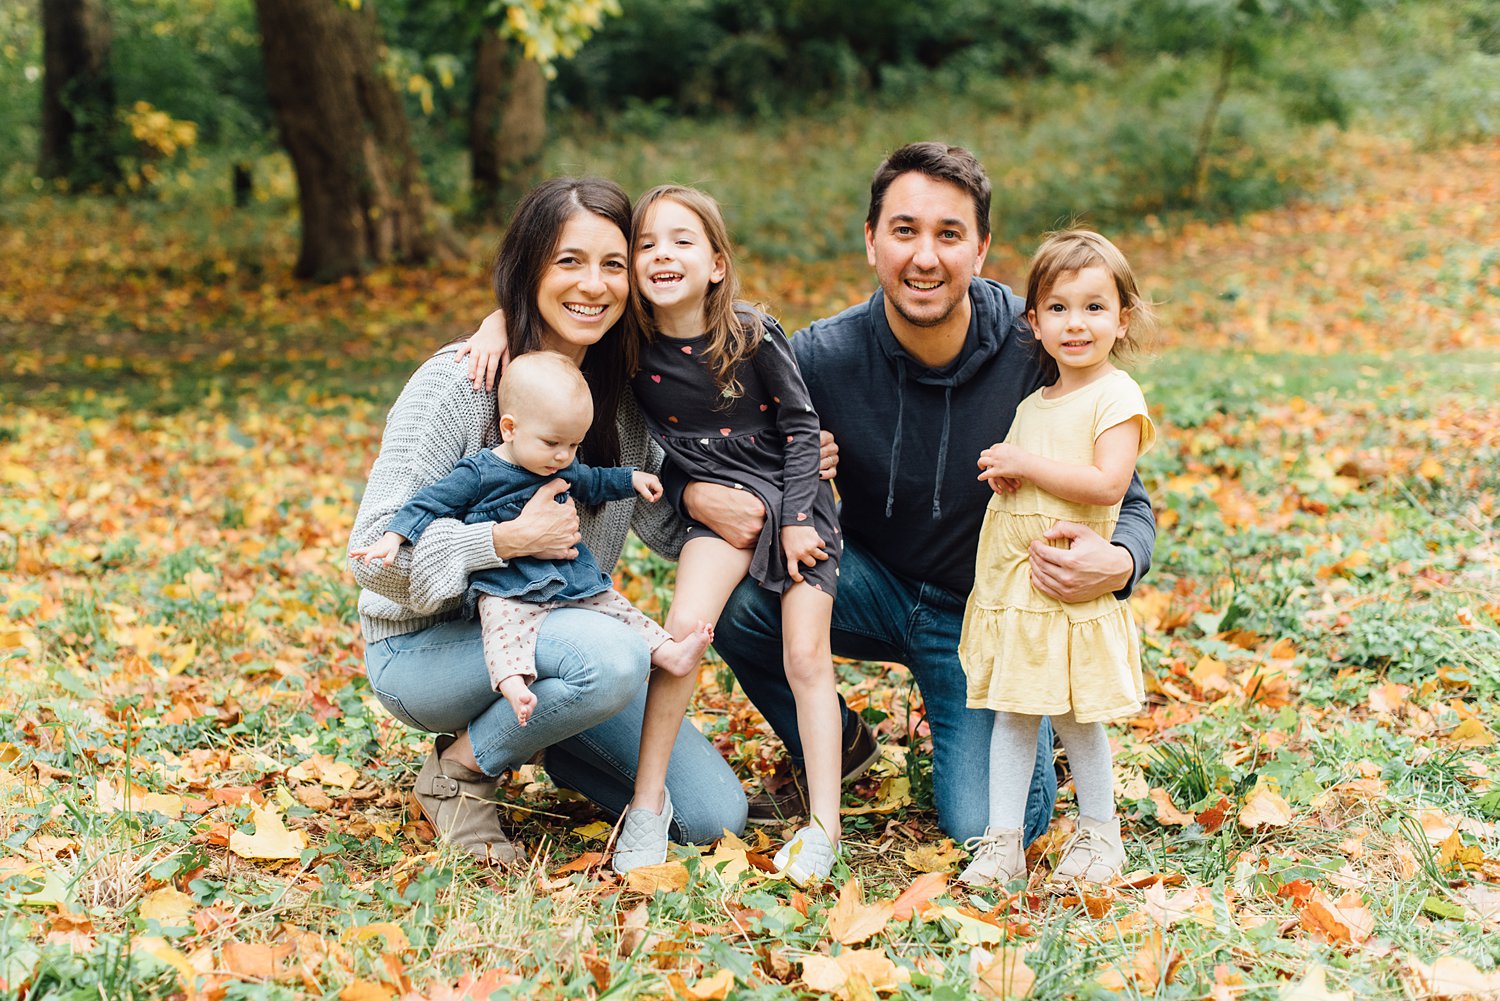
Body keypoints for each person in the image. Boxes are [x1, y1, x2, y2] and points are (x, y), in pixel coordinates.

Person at [691, 143, 1157, 847]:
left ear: (982, 248)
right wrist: (745, 479)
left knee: (984, 826)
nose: (925, 257)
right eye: (904, 230)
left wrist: (1118, 562)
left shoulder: (1037, 349)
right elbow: (703, 427)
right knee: (735, 596)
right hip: (867, 581)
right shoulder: (821, 356)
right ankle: (837, 744)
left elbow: (1130, 496)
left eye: (949, 234)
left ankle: (1032, 723)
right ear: (872, 241)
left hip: (986, 612)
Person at [347, 177, 746, 867]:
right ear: (529, 266)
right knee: (611, 654)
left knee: (712, 815)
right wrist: (498, 541)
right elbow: (369, 559)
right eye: (568, 261)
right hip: (426, 651)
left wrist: (767, 487)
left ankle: (549, 730)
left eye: (613, 264)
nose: (593, 284)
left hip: (559, 644)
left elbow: (667, 527)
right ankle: (461, 772)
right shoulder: (461, 382)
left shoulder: (619, 401)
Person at [606, 185, 845, 884]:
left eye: (682, 240)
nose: (662, 254)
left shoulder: (750, 333)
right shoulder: (631, 346)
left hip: (796, 504)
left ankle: (824, 826)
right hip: (717, 509)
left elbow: (802, 428)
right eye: (646, 243)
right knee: (682, 632)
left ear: (715, 262)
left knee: (806, 657)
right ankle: (648, 804)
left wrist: (799, 518)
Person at [351, 350, 713, 727]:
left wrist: (632, 479)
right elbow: (429, 502)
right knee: (504, 629)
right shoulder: (480, 472)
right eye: (552, 443)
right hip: (506, 584)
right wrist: (395, 537)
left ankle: (668, 652)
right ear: (510, 428)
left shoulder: (559, 463)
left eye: (573, 445)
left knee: (615, 607)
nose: (563, 457)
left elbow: (593, 480)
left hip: (567, 582)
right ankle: (513, 685)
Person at [956, 230, 1157, 886]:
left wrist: (1026, 463)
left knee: (1076, 717)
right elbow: (1037, 475)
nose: (1078, 323)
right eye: (1061, 308)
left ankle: (1102, 836)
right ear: (1035, 322)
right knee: (1014, 710)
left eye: (1095, 307)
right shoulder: (1033, 404)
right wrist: (1011, 476)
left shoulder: (1116, 397)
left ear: (1122, 318)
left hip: (1070, 585)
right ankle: (1003, 842)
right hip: (1019, 589)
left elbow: (1106, 484)